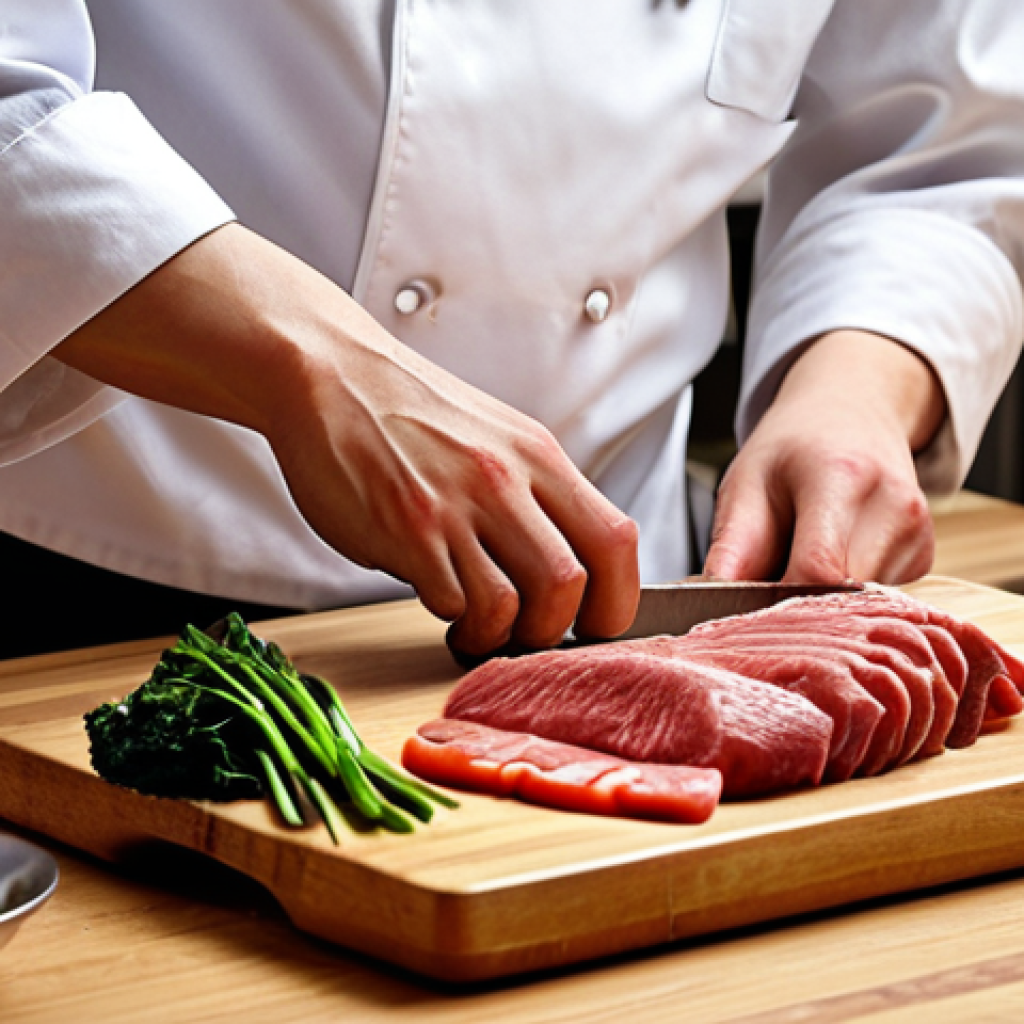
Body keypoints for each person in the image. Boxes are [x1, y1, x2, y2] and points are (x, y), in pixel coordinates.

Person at [1, 0, 1021, 657]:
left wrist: (858, 384)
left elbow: (946, 127)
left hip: (625, 607)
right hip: (91, 589)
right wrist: (306, 365)